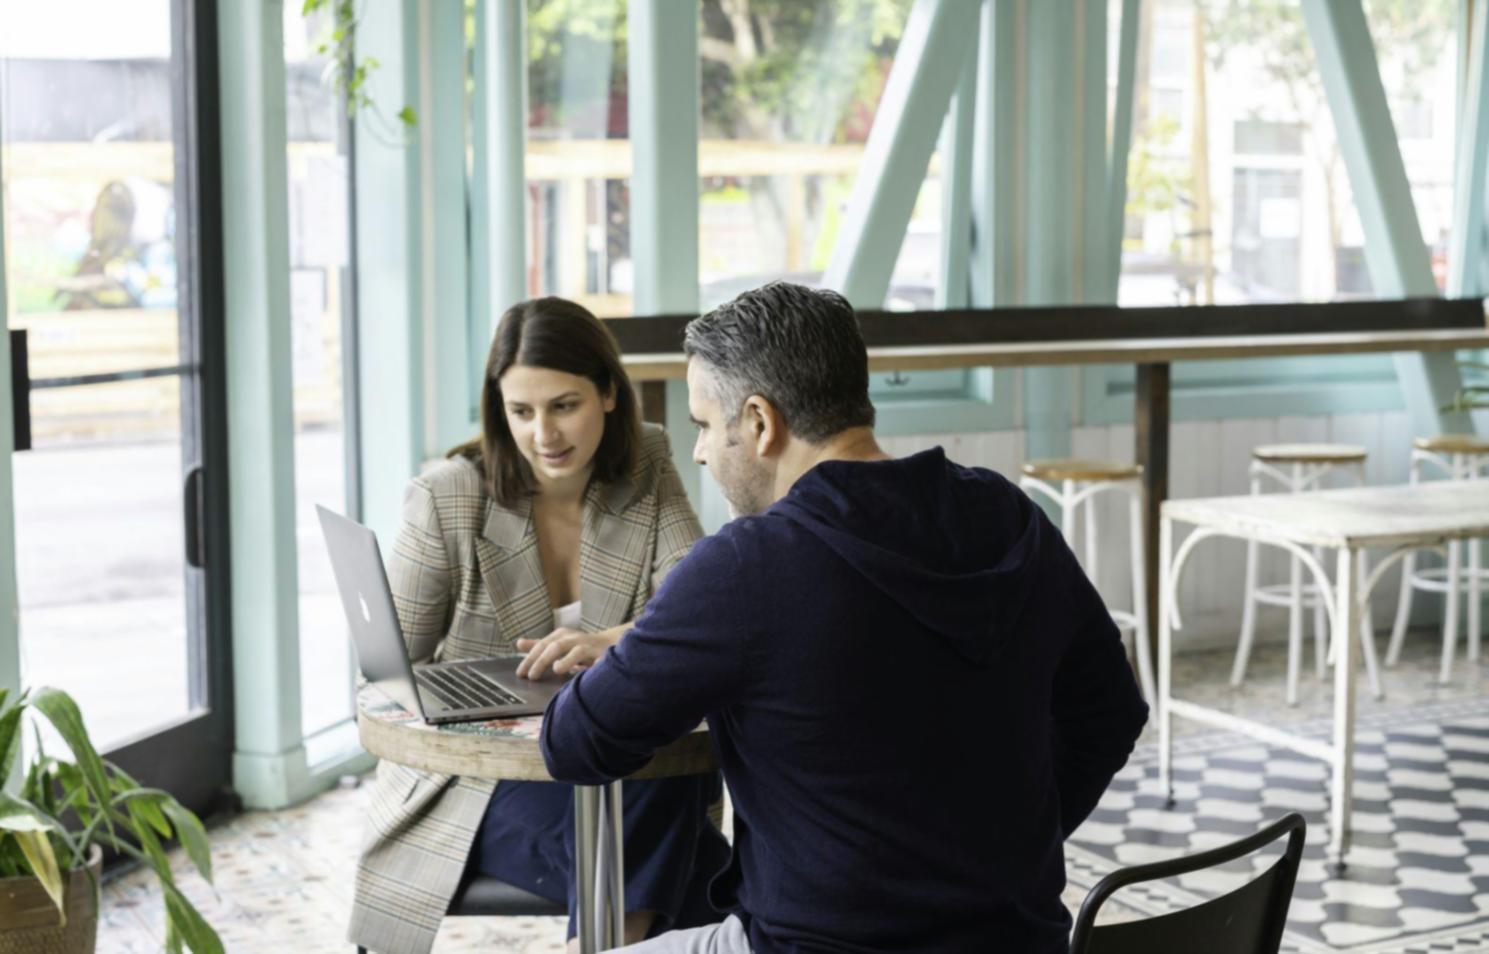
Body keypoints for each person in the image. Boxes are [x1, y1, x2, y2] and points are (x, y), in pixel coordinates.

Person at [539, 282, 1150, 953]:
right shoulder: (1008, 518)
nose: (701, 452)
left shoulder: (745, 568)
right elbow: (1112, 711)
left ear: (760, 422)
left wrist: (642, 643)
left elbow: (575, 743)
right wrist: (996, 860)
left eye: (706, 425)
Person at [348, 298, 729, 954]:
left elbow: (697, 606)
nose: (542, 435)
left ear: (609, 394)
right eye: (519, 412)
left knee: (659, 789)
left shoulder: (647, 461)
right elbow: (392, 669)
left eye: (563, 405)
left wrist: (609, 643)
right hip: (482, 782)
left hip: (609, 759)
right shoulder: (447, 496)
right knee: (708, 860)